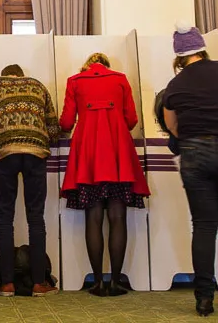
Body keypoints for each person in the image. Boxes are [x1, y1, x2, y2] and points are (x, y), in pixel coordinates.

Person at [162, 23, 218, 316]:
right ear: (202, 47)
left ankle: (204, 299)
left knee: (203, 226)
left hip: (194, 153)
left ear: (178, 54)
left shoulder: (175, 86)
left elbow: (172, 126)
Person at [59, 53, 150, 297]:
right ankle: (116, 282)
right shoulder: (120, 79)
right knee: (118, 217)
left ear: (87, 66)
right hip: (117, 151)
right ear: (107, 66)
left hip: (88, 152)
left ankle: (98, 281)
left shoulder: (75, 81)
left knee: (93, 216)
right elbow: (131, 119)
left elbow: (66, 122)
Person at [0, 64, 60, 297]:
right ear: (22, 76)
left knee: (4, 218)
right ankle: (38, 283)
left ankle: (7, 284)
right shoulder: (38, 86)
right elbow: (53, 129)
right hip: (36, 152)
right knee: (36, 218)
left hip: (5, 152)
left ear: (5, 76)